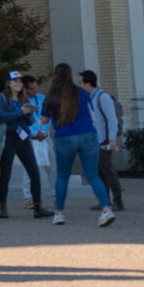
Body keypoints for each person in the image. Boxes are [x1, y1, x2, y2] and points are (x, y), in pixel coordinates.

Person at [41, 64, 114, 228]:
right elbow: (92, 114)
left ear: (55, 75)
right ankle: (106, 209)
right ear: (70, 75)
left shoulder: (51, 96)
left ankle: (59, 213)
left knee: (62, 176)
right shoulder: (81, 92)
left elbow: (44, 120)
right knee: (93, 176)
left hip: (64, 137)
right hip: (87, 135)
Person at [0, 71, 47, 220]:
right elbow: (0, 117)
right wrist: (20, 112)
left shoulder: (24, 98)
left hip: (23, 136)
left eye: (20, 82)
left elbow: (29, 121)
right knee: (5, 173)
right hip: (8, 137)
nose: (18, 84)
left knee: (34, 172)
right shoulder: (2, 98)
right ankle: (3, 207)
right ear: (9, 83)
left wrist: (29, 113)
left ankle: (37, 207)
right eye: (15, 81)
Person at [80, 70, 124, 211]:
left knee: (108, 171)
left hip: (103, 141)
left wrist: (112, 139)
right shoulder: (89, 98)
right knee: (99, 172)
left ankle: (118, 201)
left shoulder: (102, 97)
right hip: (93, 141)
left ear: (88, 84)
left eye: (81, 83)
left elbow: (112, 119)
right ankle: (105, 200)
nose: (79, 85)